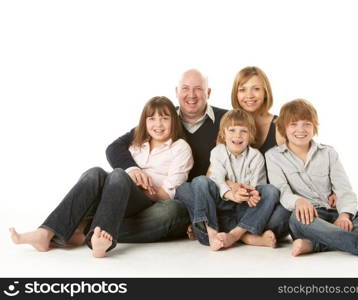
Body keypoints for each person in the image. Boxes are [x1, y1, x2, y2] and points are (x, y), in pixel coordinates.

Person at [10, 96, 193, 258]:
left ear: (174, 121)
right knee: (95, 172)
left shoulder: (180, 147)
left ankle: (97, 236)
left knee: (120, 176)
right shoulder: (137, 140)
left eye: (164, 118)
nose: (158, 124)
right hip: (116, 193)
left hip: (146, 200)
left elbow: (169, 193)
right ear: (144, 122)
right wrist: (133, 171)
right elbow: (113, 150)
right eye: (151, 118)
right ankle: (46, 232)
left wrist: (145, 188)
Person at [265, 98, 358, 261]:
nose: (300, 129)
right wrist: (298, 201)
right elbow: (282, 191)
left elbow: (344, 189)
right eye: (293, 124)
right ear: (283, 128)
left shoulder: (328, 153)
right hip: (309, 218)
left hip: (334, 213)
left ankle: (315, 245)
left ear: (314, 127)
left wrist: (344, 215)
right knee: (296, 219)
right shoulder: (273, 156)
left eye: (306, 123)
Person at [106, 69, 227, 242]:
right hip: (147, 197)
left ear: (208, 93)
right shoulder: (162, 119)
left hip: (187, 201)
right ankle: (102, 227)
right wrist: (133, 170)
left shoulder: (226, 120)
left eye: (198, 89)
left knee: (170, 211)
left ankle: (99, 228)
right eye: (185, 88)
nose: (191, 95)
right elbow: (115, 147)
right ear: (176, 92)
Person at [180, 109, 279, 250]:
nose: (237, 135)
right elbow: (217, 179)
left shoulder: (256, 157)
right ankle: (214, 233)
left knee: (271, 191)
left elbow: (257, 187)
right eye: (232, 130)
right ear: (223, 134)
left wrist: (250, 194)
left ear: (250, 135)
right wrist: (232, 194)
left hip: (245, 208)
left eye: (243, 131)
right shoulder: (218, 152)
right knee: (197, 183)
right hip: (221, 204)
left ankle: (235, 234)